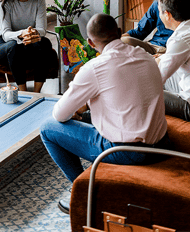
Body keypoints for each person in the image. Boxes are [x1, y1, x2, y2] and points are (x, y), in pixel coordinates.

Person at [40, 13, 170, 214]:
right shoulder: (145, 55)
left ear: (90, 43)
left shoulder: (95, 68)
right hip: (161, 142)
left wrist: (78, 107)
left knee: (48, 128)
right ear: (119, 33)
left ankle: (86, 192)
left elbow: (59, 114)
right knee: (85, 116)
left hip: (129, 152)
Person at [0, 0, 58, 93]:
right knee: (14, 46)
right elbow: (6, 34)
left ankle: (36, 93)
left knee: (45, 43)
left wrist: (33, 34)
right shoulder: (5, 3)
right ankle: (23, 92)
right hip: (6, 45)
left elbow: (42, 30)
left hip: (30, 43)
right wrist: (23, 33)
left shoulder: (39, 0)